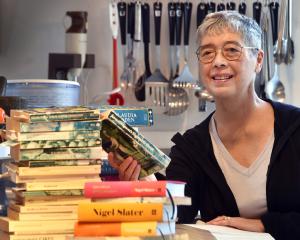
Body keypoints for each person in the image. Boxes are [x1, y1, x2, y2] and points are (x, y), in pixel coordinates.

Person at [108, 11, 300, 240]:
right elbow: (178, 213)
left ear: (258, 60)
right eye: (208, 52)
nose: (218, 61)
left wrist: (263, 225)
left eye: (231, 50)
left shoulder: (295, 128)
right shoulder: (192, 146)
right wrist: (144, 184)